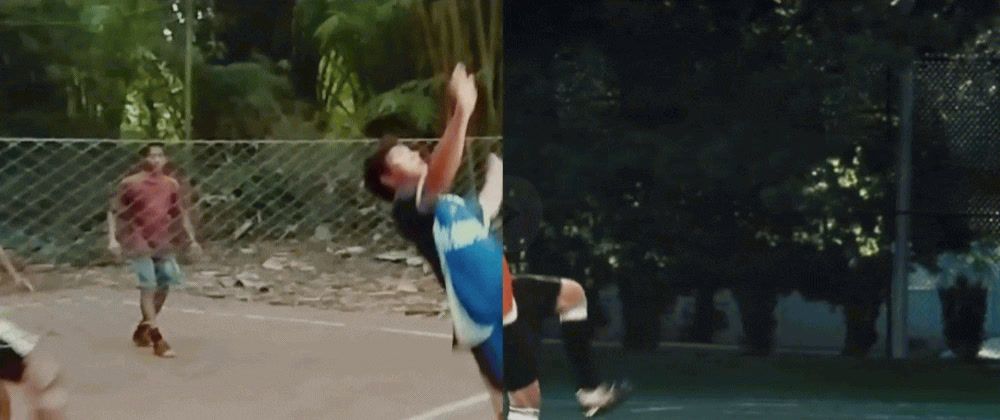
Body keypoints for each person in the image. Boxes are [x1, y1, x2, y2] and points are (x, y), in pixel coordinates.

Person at [107, 143, 201, 358]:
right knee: (148, 285)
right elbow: (113, 211)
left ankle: (144, 327)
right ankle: (158, 338)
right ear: (143, 160)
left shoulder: (171, 184)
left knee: (165, 282)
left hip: (162, 240)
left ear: (166, 160)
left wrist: (191, 239)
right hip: (137, 239)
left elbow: (180, 213)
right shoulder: (130, 184)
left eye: (160, 156)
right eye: (152, 156)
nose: (156, 160)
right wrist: (113, 239)